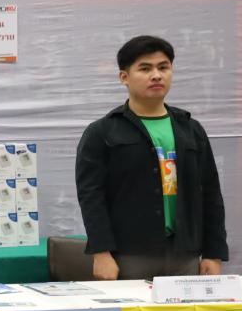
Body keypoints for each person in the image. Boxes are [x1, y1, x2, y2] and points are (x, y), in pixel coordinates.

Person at [75, 35, 227, 281]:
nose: (156, 75)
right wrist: (101, 253)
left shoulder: (190, 129)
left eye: (163, 67)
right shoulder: (102, 132)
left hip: (185, 255)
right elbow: (91, 197)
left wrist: (214, 253)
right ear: (124, 77)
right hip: (129, 255)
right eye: (145, 69)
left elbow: (211, 194)